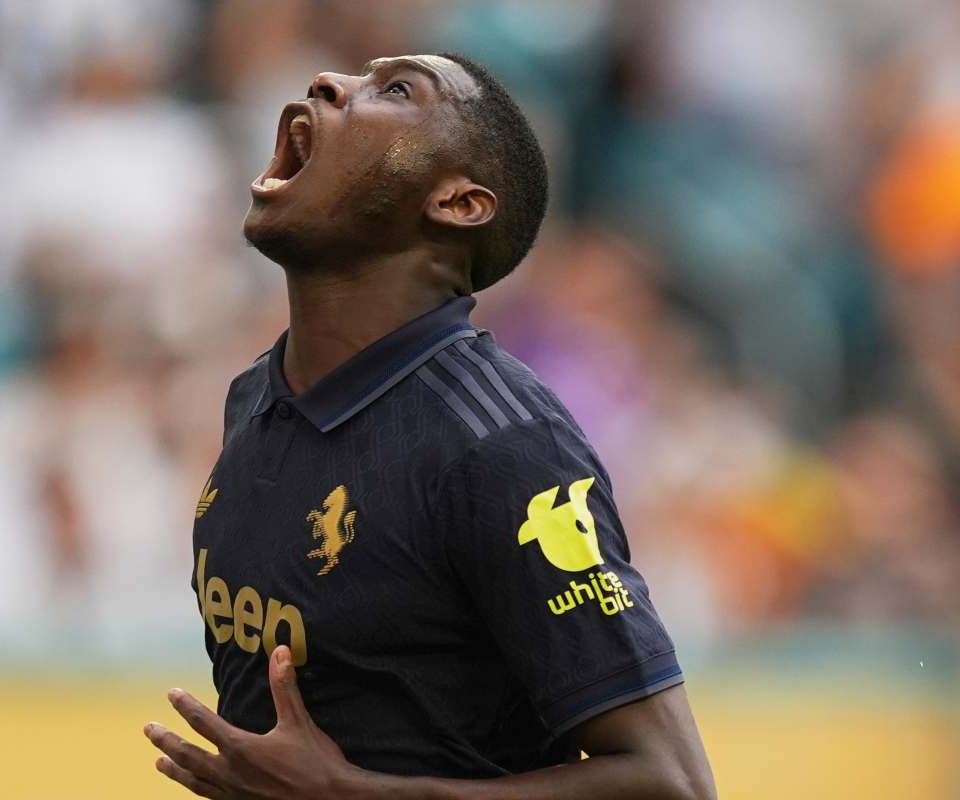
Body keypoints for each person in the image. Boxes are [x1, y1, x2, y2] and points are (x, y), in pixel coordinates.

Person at [143, 52, 716, 799]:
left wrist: (348, 795)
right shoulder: (253, 396)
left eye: (395, 89)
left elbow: (671, 781)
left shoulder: (502, 447)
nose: (328, 82)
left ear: (458, 203)